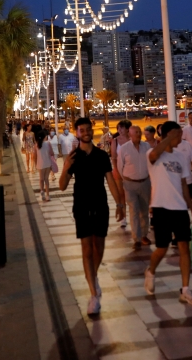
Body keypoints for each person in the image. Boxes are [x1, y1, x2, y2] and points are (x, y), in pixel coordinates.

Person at [58, 117, 124, 316]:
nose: (86, 132)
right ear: (77, 133)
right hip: (81, 206)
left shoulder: (101, 155)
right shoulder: (73, 157)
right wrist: (65, 167)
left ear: (91, 131)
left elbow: (110, 181)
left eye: (88, 129)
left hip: (100, 206)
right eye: (82, 130)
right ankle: (94, 294)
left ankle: (92, 277)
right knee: (87, 248)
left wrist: (120, 203)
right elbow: (62, 186)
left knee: (99, 247)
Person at [143, 120, 192, 306]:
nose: (181, 138)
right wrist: (167, 139)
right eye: (177, 134)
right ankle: (150, 271)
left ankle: (185, 289)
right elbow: (154, 154)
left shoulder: (181, 156)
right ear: (168, 135)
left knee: (184, 248)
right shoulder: (153, 154)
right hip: (161, 207)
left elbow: (184, 184)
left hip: (179, 209)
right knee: (162, 248)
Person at [115, 125, 152, 249]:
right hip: (130, 184)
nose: (138, 134)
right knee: (134, 210)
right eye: (136, 132)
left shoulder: (147, 147)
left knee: (144, 210)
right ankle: (136, 239)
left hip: (145, 182)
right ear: (130, 135)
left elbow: (151, 164)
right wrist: (126, 179)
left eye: (139, 131)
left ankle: (144, 234)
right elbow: (120, 166)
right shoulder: (124, 149)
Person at [109, 120, 132, 229]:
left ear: (128, 129)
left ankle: (134, 215)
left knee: (132, 195)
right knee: (121, 194)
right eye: (118, 128)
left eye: (122, 128)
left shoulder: (132, 140)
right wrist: (116, 169)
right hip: (119, 171)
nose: (120, 130)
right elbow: (113, 157)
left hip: (131, 171)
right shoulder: (115, 141)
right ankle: (123, 217)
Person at [35, 127, 55, 201]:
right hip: (48, 163)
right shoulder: (48, 143)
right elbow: (52, 153)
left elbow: (35, 156)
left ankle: (42, 191)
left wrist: (35, 164)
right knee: (46, 179)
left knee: (41, 179)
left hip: (40, 164)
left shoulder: (36, 145)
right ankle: (48, 195)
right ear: (45, 137)